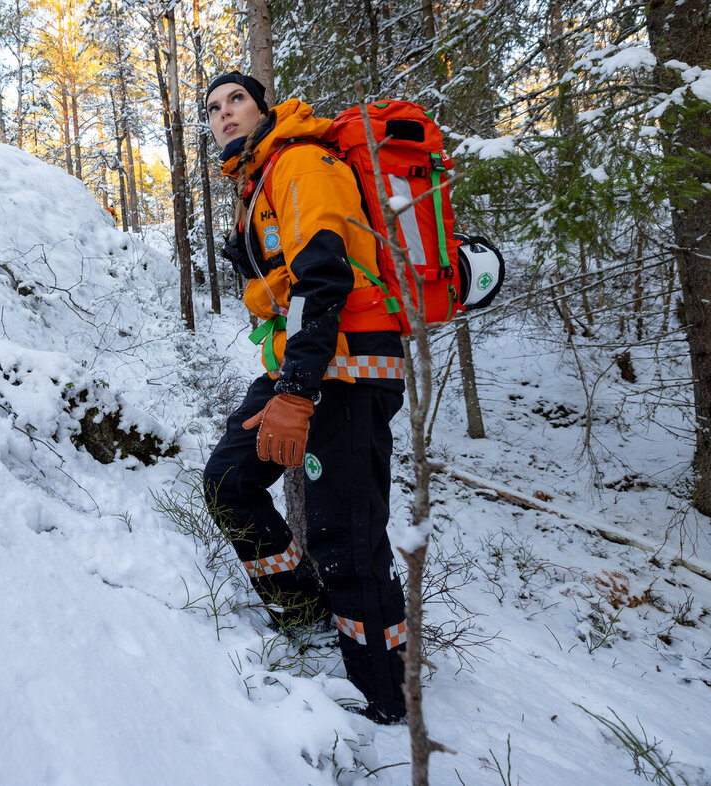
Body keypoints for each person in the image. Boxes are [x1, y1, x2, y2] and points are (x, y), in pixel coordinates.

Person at [201, 72, 408, 725]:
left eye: (236, 99)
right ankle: (308, 615)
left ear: (265, 108)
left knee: (346, 538)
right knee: (229, 481)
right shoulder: (258, 182)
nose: (224, 112)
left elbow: (325, 278)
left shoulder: (302, 164)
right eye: (212, 107)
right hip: (308, 367)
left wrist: (295, 391)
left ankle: (382, 697)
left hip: (345, 371)